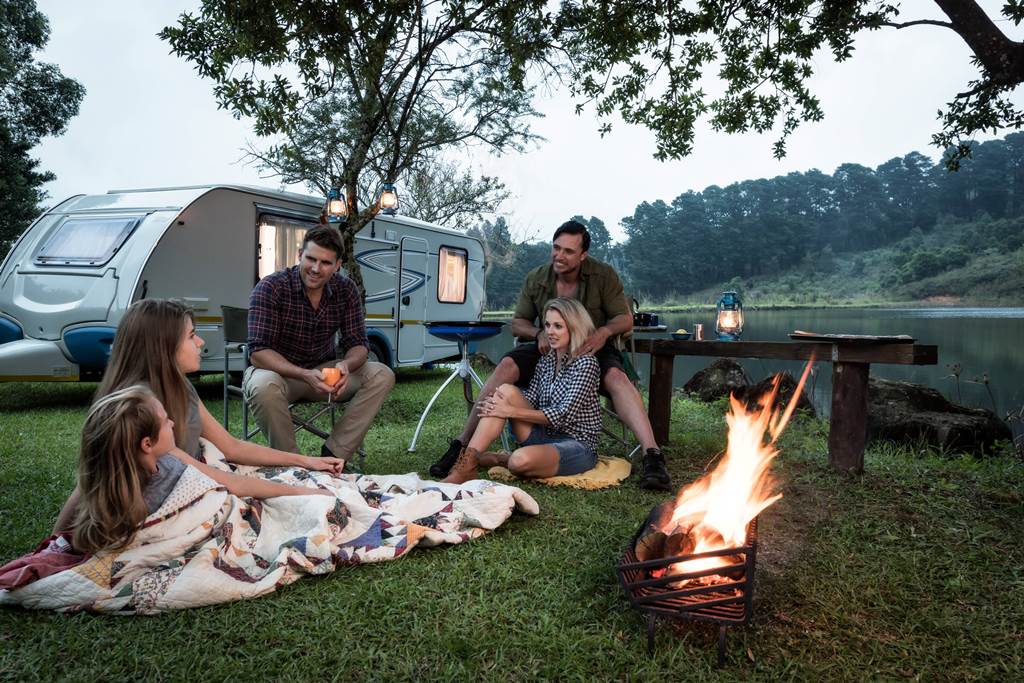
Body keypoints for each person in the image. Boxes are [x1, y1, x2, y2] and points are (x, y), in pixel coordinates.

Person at [52, 298, 345, 534]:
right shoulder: (141, 409)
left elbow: (232, 447)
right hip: (178, 497)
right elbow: (90, 482)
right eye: (192, 335)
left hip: (201, 474)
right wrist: (297, 491)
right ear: (163, 347)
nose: (201, 342)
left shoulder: (179, 386)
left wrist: (306, 460)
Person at [430, 220, 672, 491]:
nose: (560, 255)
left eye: (568, 251)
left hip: (591, 344)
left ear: (583, 255)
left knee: (616, 376)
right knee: (506, 369)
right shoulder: (537, 278)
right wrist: (539, 334)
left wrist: (603, 333)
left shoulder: (603, 276)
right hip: (546, 346)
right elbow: (518, 322)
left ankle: (652, 455)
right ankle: (463, 448)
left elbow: (624, 319)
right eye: (556, 248)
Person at [68, 385, 330, 554]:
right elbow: (230, 485)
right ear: (147, 444)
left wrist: (299, 482)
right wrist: (301, 491)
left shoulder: (101, 499)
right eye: (165, 421)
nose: (172, 422)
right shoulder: (171, 467)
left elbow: (67, 535)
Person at [244, 224, 395, 466]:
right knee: (262, 385)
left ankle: (333, 458)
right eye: (310, 259)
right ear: (299, 255)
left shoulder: (347, 290)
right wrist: (303, 374)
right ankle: (295, 466)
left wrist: (346, 364)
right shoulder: (271, 287)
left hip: (325, 375)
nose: (315, 268)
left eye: (325, 263)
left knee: (382, 374)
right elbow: (258, 353)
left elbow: (359, 344)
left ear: (337, 265)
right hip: (280, 374)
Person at [441, 298, 601, 484]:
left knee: (518, 462)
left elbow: (562, 414)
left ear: (574, 328)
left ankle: (503, 459)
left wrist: (509, 411)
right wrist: (497, 402)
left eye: (558, 326)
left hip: (576, 445)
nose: (550, 332)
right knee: (505, 391)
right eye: (547, 325)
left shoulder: (586, 364)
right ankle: (467, 465)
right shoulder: (547, 361)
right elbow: (531, 398)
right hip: (543, 435)